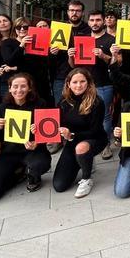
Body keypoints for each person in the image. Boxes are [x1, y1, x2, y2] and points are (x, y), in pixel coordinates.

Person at [0, 73, 51, 204]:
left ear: (29, 88)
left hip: (33, 151)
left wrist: (37, 141)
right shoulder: (1, 109)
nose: (19, 90)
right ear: (9, 88)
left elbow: (48, 132)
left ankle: (33, 175)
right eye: (15, 86)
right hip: (9, 153)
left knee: (39, 164)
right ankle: (18, 175)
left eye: (23, 86)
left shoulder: (40, 104)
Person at [53, 68, 107, 198]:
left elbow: (94, 131)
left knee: (81, 147)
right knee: (59, 185)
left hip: (95, 139)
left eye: (82, 81)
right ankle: (84, 159)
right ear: (68, 84)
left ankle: (87, 178)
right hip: (72, 141)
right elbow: (56, 122)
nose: (78, 85)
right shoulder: (63, 101)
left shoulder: (97, 102)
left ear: (88, 83)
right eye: (75, 82)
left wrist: (71, 135)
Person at [72, 11, 116, 159]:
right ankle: (88, 142)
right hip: (84, 85)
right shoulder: (81, 39)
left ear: (103, 21)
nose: (95, 23)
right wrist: (70, 55)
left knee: (105, 116)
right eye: (92, 20)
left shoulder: (111, 39)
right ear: (88, 22)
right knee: (84, 114)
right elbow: (73, 65)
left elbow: (115, 62)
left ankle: (105, 144)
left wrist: (103, 55)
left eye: (98, 20)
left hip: (104, 84)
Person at [1, 17, 53, 105]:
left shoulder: (37, 42)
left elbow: (40, 64)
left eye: (25, 27)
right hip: (17, 83)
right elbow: (9, 61)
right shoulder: (8, 43)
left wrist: (15, 68)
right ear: (14, 29)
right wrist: (21, 46)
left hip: (37, 82)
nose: (22, 29)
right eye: (18, 27)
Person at [51, 0, 92, 105]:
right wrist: (52, 52)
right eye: (72, 10)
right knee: (60, 106)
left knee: (84, 106)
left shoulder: (89, 29)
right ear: (67, 12)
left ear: (82, 13)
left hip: (83, 75)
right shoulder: (59, 28)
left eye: (78, 11)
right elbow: (49, 57)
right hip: (61, 75)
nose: (74, 13)